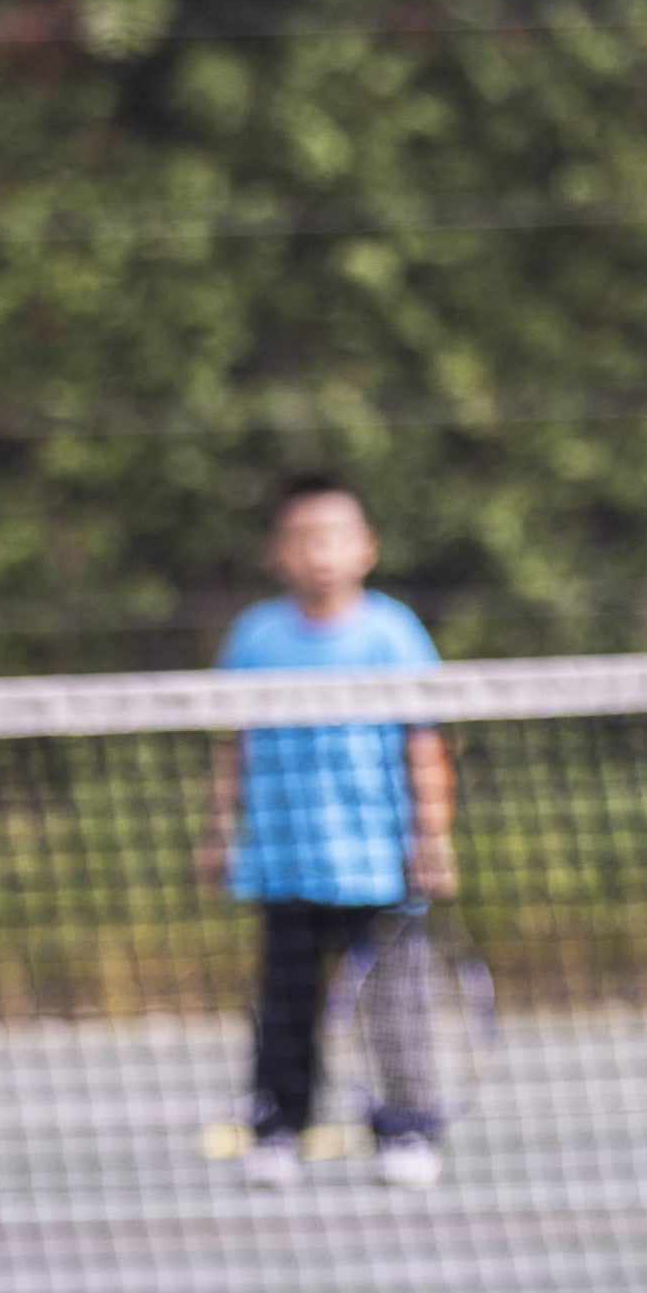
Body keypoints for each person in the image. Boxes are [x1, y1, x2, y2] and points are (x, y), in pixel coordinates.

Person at [197, 472, 458, 1193]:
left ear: (366, 549)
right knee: (283, 1007)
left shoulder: (392, 632)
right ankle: (279, 1129)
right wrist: (218, 832)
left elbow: (425, 741)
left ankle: (407, 1128)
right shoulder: (254, 637)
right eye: (301, 538)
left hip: (379, 862)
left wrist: (431, 837)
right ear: (276, 553)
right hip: (283, 862)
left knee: (396, 1008)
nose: (319, 552)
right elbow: (232, 743)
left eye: (333, 536)